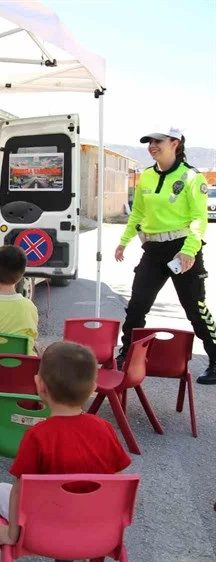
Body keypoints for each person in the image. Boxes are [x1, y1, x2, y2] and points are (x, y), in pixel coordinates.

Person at [0, 341, 131, 562]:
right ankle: (68, 554)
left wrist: (11, 534)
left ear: (40, 386)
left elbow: (20, 490)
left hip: (41, 528)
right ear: (93, 389)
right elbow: (118, 482)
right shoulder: (105, 429)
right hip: (92, 527)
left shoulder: (37, 435)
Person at [115, 127, 215, 384]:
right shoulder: (146, 177)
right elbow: (137, 214)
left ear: (175, 143)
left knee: (195, 309)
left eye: (158, 141)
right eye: (149, 141)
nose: (152, 145)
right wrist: (123, 242)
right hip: (154, 251)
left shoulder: (192, 178)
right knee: (137, 305)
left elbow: (199, 219)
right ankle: (126, 355)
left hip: (183, 249)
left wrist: (189, 251)